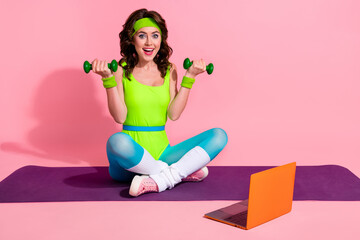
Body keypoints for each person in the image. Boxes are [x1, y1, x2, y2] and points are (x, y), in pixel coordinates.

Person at [91, 8, 228, 197]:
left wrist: (190, 77)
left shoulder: (169, 69)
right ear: (132, 39)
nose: (149, 42)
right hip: (129, 161)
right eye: (142, 35)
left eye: (155, 36)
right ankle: (177, 173)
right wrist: (108, 80)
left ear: (161, 39)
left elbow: (174, 114)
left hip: (163, 152)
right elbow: (120, 116)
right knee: (116, 141)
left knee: (219, 135)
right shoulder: (121, 70)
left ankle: (161, 178)